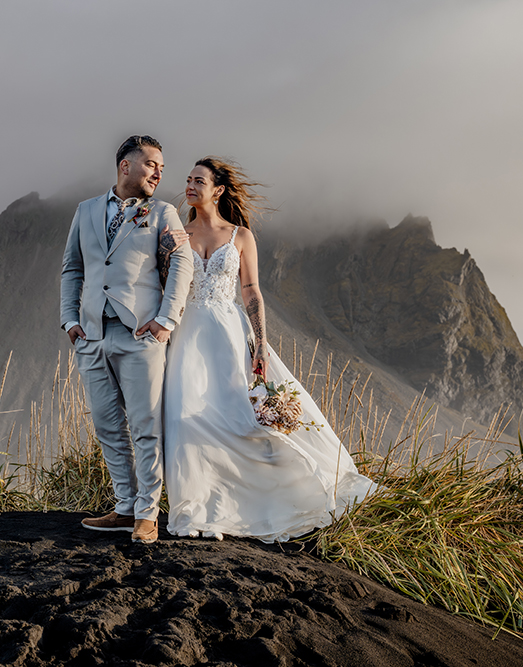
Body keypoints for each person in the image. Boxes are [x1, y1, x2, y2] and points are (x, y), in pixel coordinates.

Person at [162, 157, 376, 542]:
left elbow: (251, 291)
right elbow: (167, 285)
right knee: (183, 419)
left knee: (241, 420)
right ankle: (194, 508)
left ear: (218, 190)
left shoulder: (240, 236)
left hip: (229, 334)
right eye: (188, 180)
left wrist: (261, 342)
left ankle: (275, 497)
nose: (189, 186)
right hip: (188, 334)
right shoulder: (178, 232)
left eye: (199, 181)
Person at [60, 135, 194, 544]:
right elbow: (72, 269)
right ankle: (124, 506)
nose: (158, 172)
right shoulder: (84, 212)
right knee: (107, 425)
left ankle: (147, 513)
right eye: (152, 164)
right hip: (92, 336)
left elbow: (182, 265)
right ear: (126, 166)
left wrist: (165, 320)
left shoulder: (163, 213)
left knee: (145, 426)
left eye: (161, 168)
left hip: (140, 337)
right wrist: (70, 320)